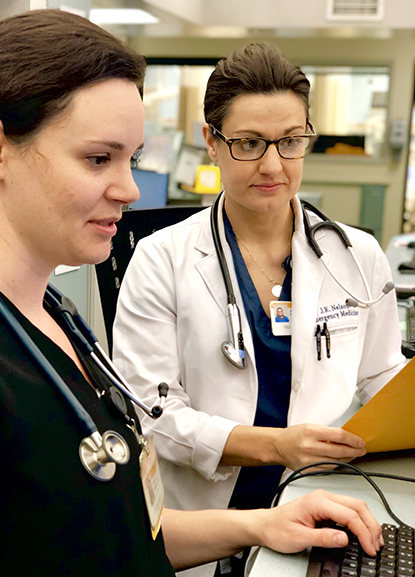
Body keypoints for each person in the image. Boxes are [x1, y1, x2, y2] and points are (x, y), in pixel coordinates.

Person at [0, 14, 384, 576]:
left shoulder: (54, 319)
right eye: (97, 158)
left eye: (130, 159)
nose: (132, 189)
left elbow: (127, 524)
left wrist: (262, 525)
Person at [112, 43, 404, 576]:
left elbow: (381, 373)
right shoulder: (162, 259)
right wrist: (278, 446)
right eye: (248, 143)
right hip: (200, 528)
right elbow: (153, 419)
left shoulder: (357, 256)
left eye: (290, 141)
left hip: (322, 504)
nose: (272, 165)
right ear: (211, 142)